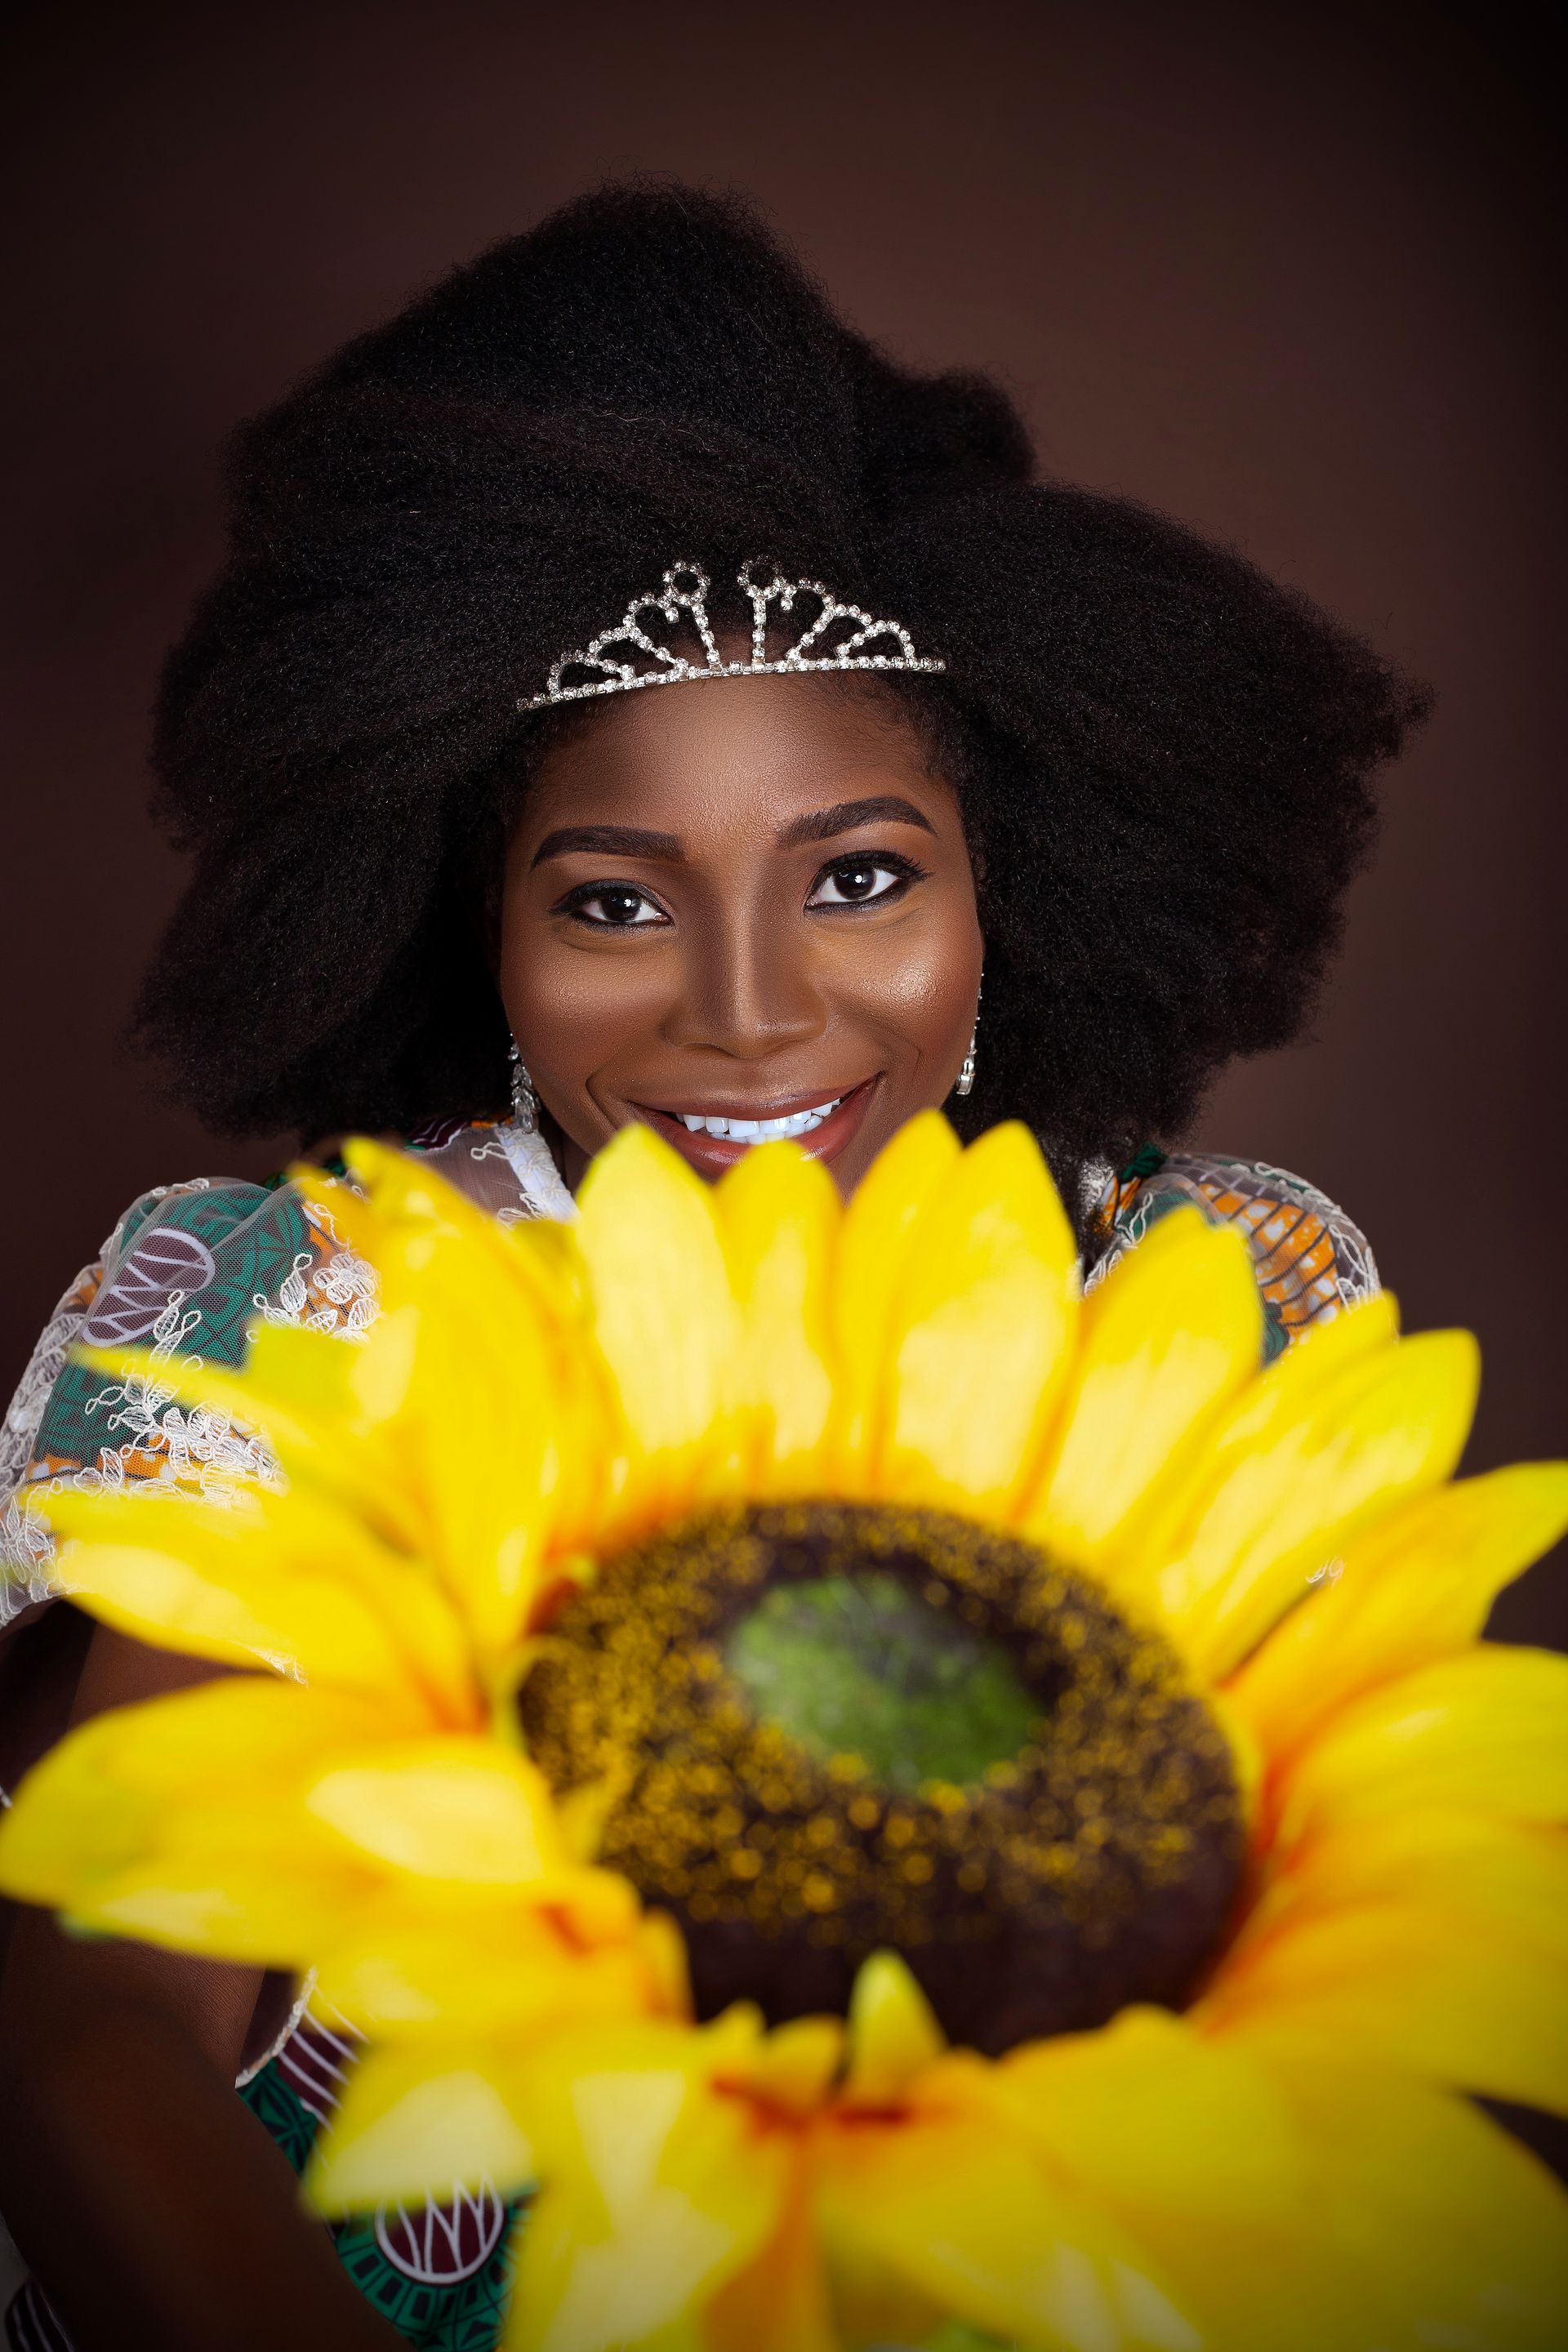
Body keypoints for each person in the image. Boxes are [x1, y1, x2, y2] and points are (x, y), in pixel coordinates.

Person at [0, 181, 1423, 2350]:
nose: (747, 1012)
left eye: (856, 875)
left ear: (998, 894)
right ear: (480, 930)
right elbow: (87, 2040)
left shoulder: (1215, 1298)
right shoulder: (318, 1309)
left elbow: (1361, 2000)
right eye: (615, 899)